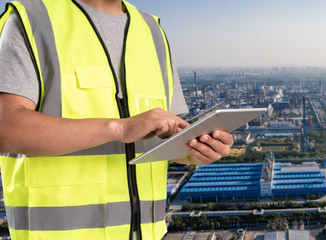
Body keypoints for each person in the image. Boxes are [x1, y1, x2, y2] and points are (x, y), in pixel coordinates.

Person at [0, 0, 233, 239]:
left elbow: (164, 135)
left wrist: (194, 150)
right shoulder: (33, 20)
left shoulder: (152, 30)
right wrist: (119, 128)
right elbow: (5, 129)